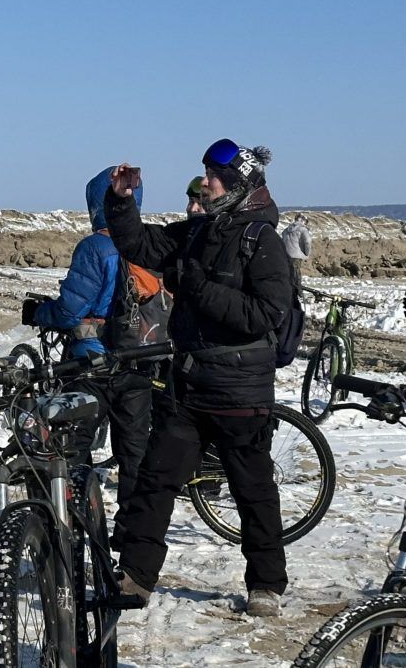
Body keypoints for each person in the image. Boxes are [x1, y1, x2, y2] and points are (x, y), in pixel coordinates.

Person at [105, 140, 293, 618]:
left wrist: (197, 286)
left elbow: (263, 315)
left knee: (252, 492)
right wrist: (121, 202)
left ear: (237, 185)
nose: (204, 183)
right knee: (155, 481)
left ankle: (266, 585)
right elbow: (141, 245)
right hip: (188, 386)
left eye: (212, 176)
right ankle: (136, 577)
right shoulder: (199, 231)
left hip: (241, 391)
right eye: (206, 174)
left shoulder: (262, 241)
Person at [24, 168, 156, 512]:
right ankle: (133, 528)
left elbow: (70, 311)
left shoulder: (95, 247)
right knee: (135, 452)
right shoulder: (149, 244)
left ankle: (73, 518)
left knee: (74, 445)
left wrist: (40, 313)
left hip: (91, 363)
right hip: (139, 360)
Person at [280, 213, 311, 286]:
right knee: (296, 276)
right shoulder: (303, 230)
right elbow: (308, 242)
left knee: (289, 276)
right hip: (297, 255)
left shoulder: (286, 230)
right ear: (303, 221)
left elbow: (282, 241)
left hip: (286, 255)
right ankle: (298, 291)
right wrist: (307, 253)